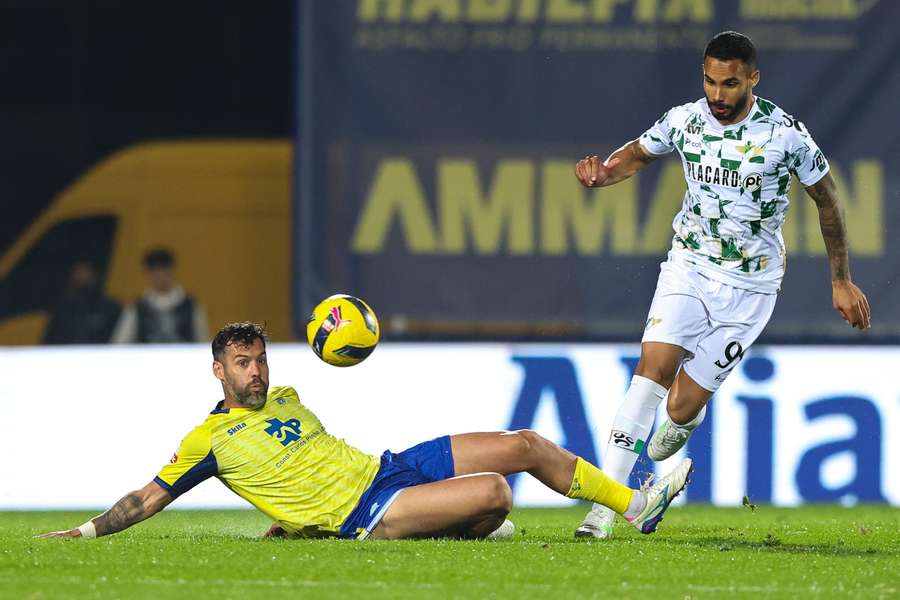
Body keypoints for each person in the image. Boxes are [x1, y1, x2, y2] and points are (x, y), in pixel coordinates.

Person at [572, 31, 871, 539]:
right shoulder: (685, 120)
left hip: (750, 290)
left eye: (730, 84)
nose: (718, 95)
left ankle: (685, 421)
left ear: (753, 79)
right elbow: (641, 152)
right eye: (710, 81)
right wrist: (606, 173)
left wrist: (840, 280)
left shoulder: (786, 135)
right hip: (689, 266)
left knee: (677, 411)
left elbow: (829, 200)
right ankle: (604, 508)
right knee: (650, 371)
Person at [39, 322, 692, 541]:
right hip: (368, 513)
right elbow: (147, 498)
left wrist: (289, 521)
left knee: (522, 443)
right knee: (495, 493)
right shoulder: (206, 443)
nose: (257, 370)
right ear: (218, 370)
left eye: (260, 357)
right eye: (243, 362)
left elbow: (297, 468)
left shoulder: (288, 395)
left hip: (388, 469)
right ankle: (462, 524)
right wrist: (89, 530)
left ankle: (636, 506)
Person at [111, 248, 208, 343]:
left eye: (163, 270)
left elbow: (203, 340)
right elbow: (120, 343)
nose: (159, 276)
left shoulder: (190, 305)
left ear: (171, 271)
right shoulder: (137, 307)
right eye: (154, 271)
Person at [42, 260, 121, 344]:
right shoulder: (62, 307)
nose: (79, 275)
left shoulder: (111, 307)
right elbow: (49, 339)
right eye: (77, 271)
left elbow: (118, 340)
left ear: (95, 274)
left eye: (83, 271)